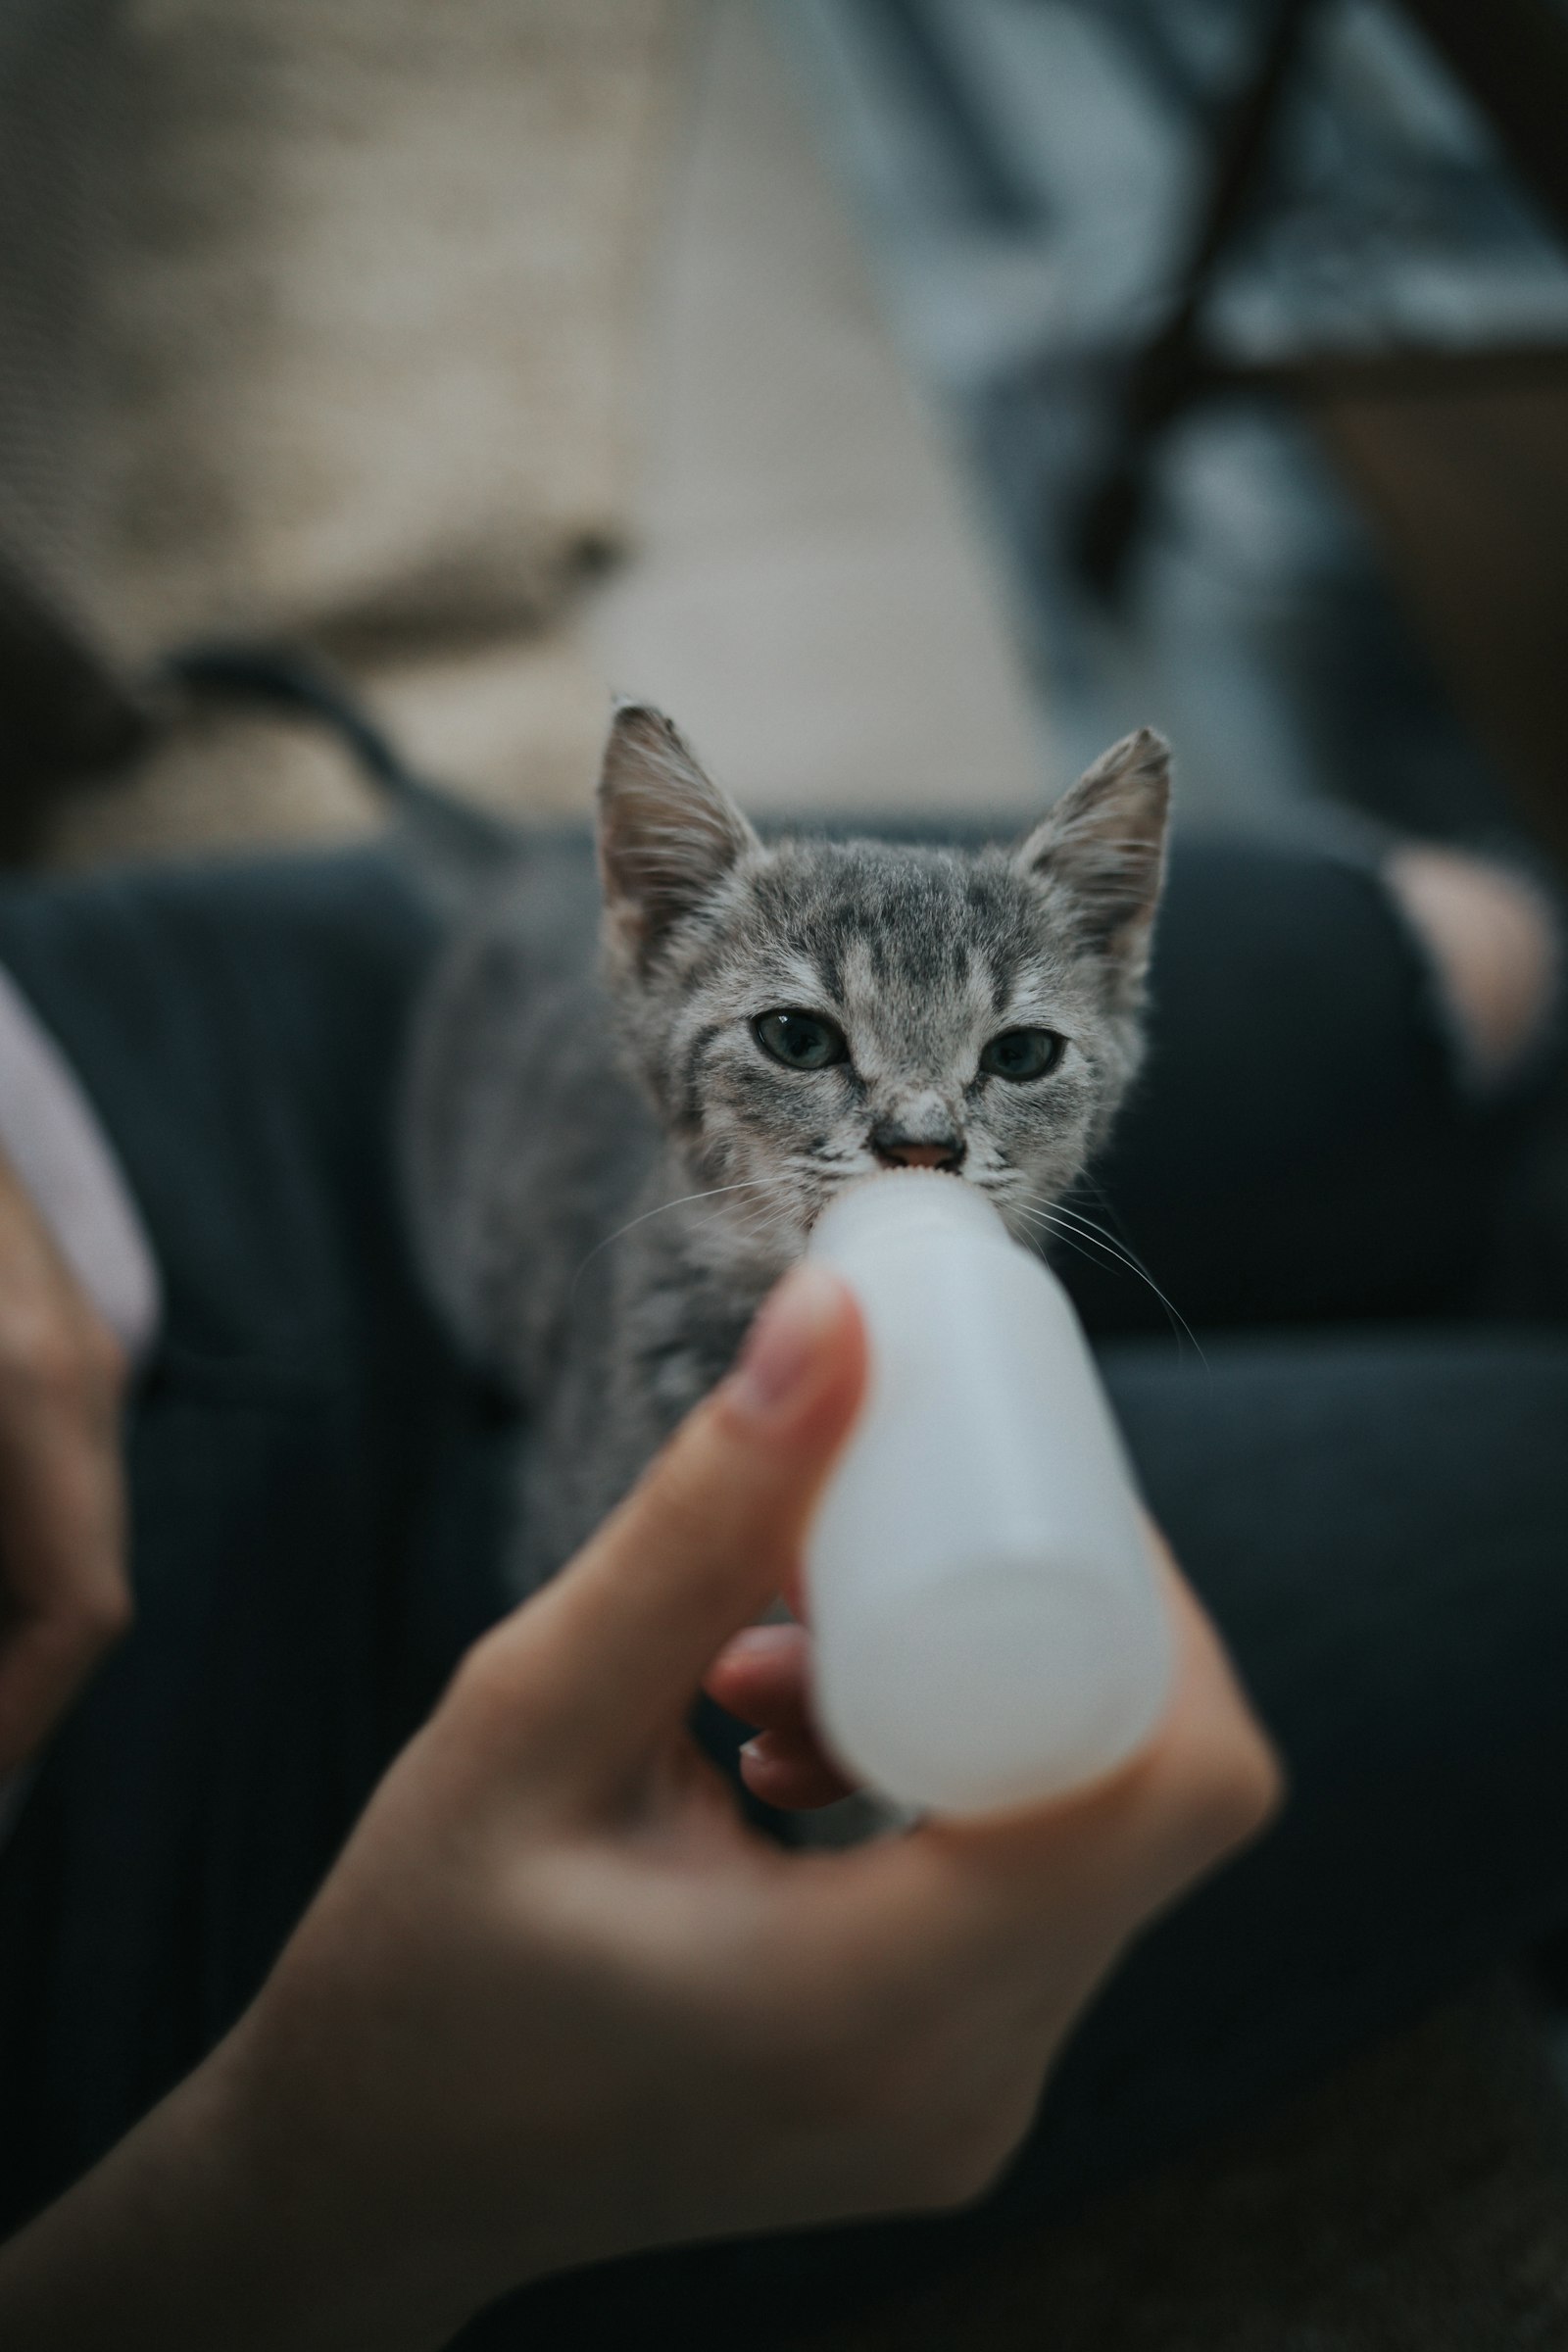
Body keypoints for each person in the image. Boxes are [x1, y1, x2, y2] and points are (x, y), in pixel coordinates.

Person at [0, 823, 1564, 2350]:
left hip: (113, 1047)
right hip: (135, 1791)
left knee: (1479, 949)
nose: (920, 1134)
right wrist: (297, 2187)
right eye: (808, 1038)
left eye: (1015, 1060)